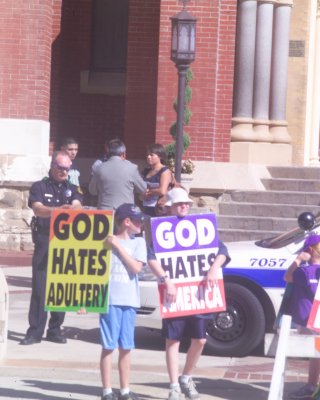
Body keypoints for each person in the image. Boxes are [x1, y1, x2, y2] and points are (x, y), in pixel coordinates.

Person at [146, 187, 230, 400]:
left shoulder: (200, 227)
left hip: (199, 295)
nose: (184, 206)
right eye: (179, 203)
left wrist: (213, 270)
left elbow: (222, 251)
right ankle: (174, 385)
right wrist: (167, 281)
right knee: (172, 341)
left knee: (200, 340)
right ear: (169, 207)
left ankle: (186, 376)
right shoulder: (160, 228)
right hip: (175, 294)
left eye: (187, 203)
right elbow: (151, 258)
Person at [20, 151, 83, 345]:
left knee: (60, 286)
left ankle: (55, 329)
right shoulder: (39, 186)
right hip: (44, 241)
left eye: (67, 168)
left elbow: (78, 206)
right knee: (40, 287)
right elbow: (38, 208)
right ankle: (34, 332)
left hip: (65, 244)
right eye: (60, 168)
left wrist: (71, 208)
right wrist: (57, 211)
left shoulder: (72, 189)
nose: (64, 172)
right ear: (52, 166)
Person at [100, 203, 147, 400]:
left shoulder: (139, 243)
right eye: (137, 221)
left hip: (129, 300)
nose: (141, 224)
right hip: (110, 300)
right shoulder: (106, 241)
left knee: (126, 347)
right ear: (126, 222)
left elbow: (136, 268)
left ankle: (125, 389)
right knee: (108, 346)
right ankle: (107, 390)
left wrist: (118, 246)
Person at [284, 234, 320, 399]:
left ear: (309, 251)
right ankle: (312, 385)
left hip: (307, 320)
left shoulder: (304, 271)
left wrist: (298, 260)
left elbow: (287, 277)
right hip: (314, 321)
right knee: (316, 355)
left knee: (315, 354)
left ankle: (312, 385)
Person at [88, 138, 147, 209]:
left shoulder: (98, 168)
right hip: (125, 212)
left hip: (105, 213)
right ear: (123, 153)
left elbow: (92, 191)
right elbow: (143, 188)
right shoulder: (132, 168)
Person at [140, 143, 172, 216]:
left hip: (159, 209)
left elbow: (162, 191)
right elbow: (140, 193)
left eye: (151, 155)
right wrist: (142, 195)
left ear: (160, 156)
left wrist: (149, 192)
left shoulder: (165, 171)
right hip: (145, 208)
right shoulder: (145, 171)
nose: (148, 157)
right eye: (147, 155)